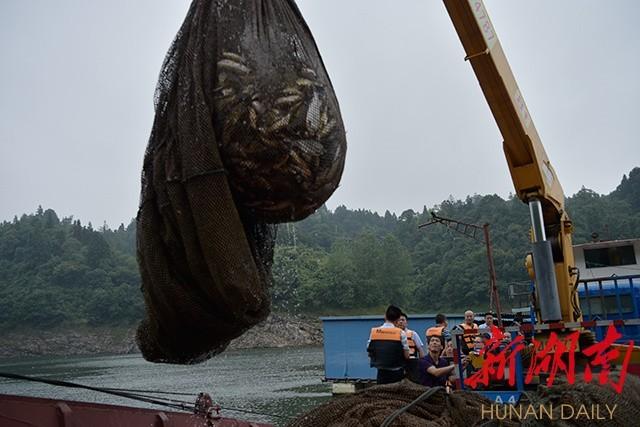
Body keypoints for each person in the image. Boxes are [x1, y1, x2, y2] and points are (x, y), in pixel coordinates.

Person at [367, 305, 410, 384]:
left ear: (385, 316)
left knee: (382, 394)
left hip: (381, 373)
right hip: (397, 374)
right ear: (397, 319)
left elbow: (369, 351)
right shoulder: (401, 333)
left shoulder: (374, 332)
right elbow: (407, 355)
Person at [396, 312, 425, 383]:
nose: (400, 322)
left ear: (406, 323)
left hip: (411, 363)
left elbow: (420, 350)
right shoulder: (393, 334)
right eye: (399, 320)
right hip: (397, 363)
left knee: (413, 382)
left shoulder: (413, 334)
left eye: (403, 320)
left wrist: (423, 364)